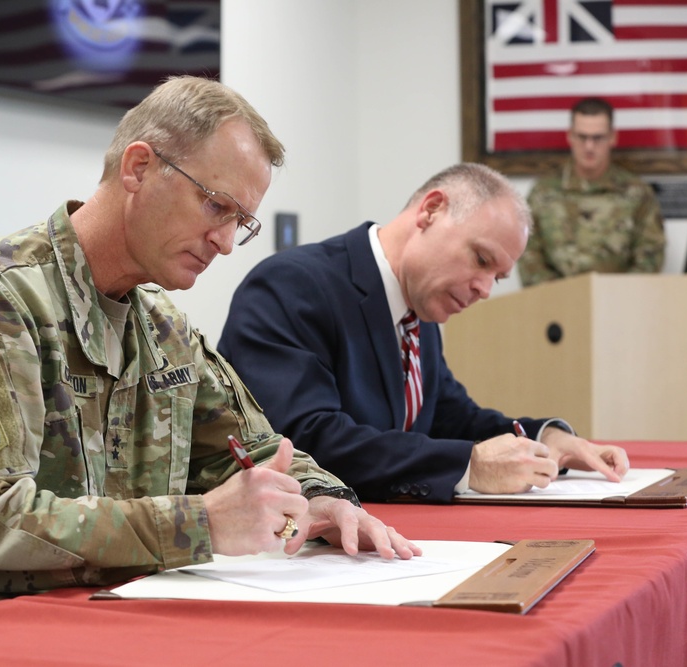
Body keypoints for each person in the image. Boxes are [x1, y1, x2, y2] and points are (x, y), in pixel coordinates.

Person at [0, 76, 420, 619]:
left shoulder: (160, 325)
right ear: (139, 167)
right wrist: (201, 522)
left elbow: (253, 451)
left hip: (103, 614)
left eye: (240, 222)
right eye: (216, 205)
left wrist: (320, 501)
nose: (224, 242)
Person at [217, 163, 630, 503]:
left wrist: (546, 437)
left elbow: (450, 418)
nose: (484, 290)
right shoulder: (291, 286)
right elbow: (305, 441)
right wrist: (471, 466)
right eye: (481, 259)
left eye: (498, 278)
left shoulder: (419, 305)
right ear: (430, 211)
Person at [518, 97, 665, 287]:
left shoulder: (637, 194)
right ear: (570, 136)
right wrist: (560, 296)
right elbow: (527, 253)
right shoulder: (543, 192)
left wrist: (616, 296)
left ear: (612, 137)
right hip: (556, 307)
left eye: (598, 138)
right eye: (582, 137)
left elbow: (650, 257)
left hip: (618, 305)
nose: (589, 146)